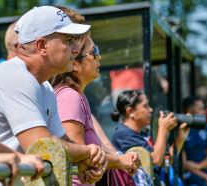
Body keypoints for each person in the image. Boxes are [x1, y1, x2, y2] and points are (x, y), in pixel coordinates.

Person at [0, 6, 106, 184]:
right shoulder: (14, 76)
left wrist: (85, 158)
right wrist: (88, 153)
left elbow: (61, 143)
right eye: (69, 40)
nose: (76, 49)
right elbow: (43, 146)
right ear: (42, 46)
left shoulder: (45, 87)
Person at [50, 34, 140, 185]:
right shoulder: (70, 97)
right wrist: (120, 160)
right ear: (75, 64)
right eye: (94, 51)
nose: (99, 57)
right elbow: (79, 156)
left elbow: (87, 154)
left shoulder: (77, 96)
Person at [111, 90, 189, 185]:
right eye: (145, 106)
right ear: (130, 112)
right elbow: (154, 161)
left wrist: (181, 137)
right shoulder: (123, 134)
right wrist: (163, 129)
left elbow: (165, 162)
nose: (151, 110)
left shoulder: (142, 134)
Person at [181, 96, 207, 186]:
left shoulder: (205, 128)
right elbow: (184, 163)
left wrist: (199, 166)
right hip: (188, 178)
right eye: (200, 109)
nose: (204, 112)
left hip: (203, 174)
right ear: (189, 110)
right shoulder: (182, 128)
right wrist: (206, 177)